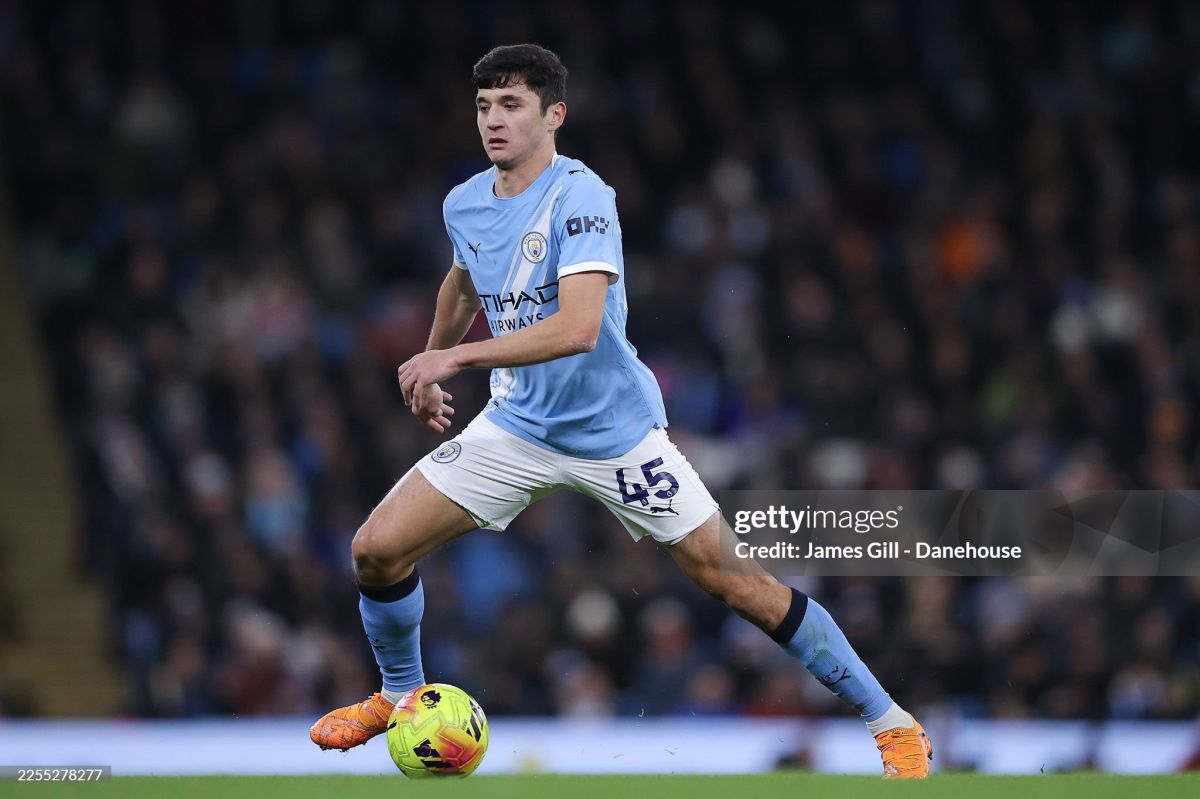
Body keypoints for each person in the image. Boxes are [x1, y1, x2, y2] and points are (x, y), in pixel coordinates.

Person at [309, 43, 933, 779]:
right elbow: (463, 282)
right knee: (376, 548)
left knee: (737, 581)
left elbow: (578, 328)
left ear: (554, 115)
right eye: (483, 106)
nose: (493, 120)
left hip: (616, 436)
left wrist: (456, 359)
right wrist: (431, 358)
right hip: (517, 427)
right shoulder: (465, 203)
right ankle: (398, 694)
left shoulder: (583, 198)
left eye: (511, 105)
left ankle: (892, 724)